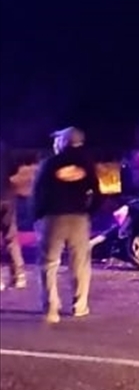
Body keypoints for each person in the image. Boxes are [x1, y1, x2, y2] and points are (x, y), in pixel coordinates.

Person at [31, 126, 99, 323]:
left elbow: (38, 193)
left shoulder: (49, 163)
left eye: (57, 139)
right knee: (80, 264)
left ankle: (51, 308)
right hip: (78, 219)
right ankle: (80, 306)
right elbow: (97, 192)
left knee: (49, 264)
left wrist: (38, 217)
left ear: (63, 142)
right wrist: (89, 212)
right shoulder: (87, 165)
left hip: (53, 219)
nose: (55, 143)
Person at [1, 153, 30, 291]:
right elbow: (14, 170)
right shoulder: (3, 147)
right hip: (7, 195)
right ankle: (19, 276)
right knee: (11, 236)